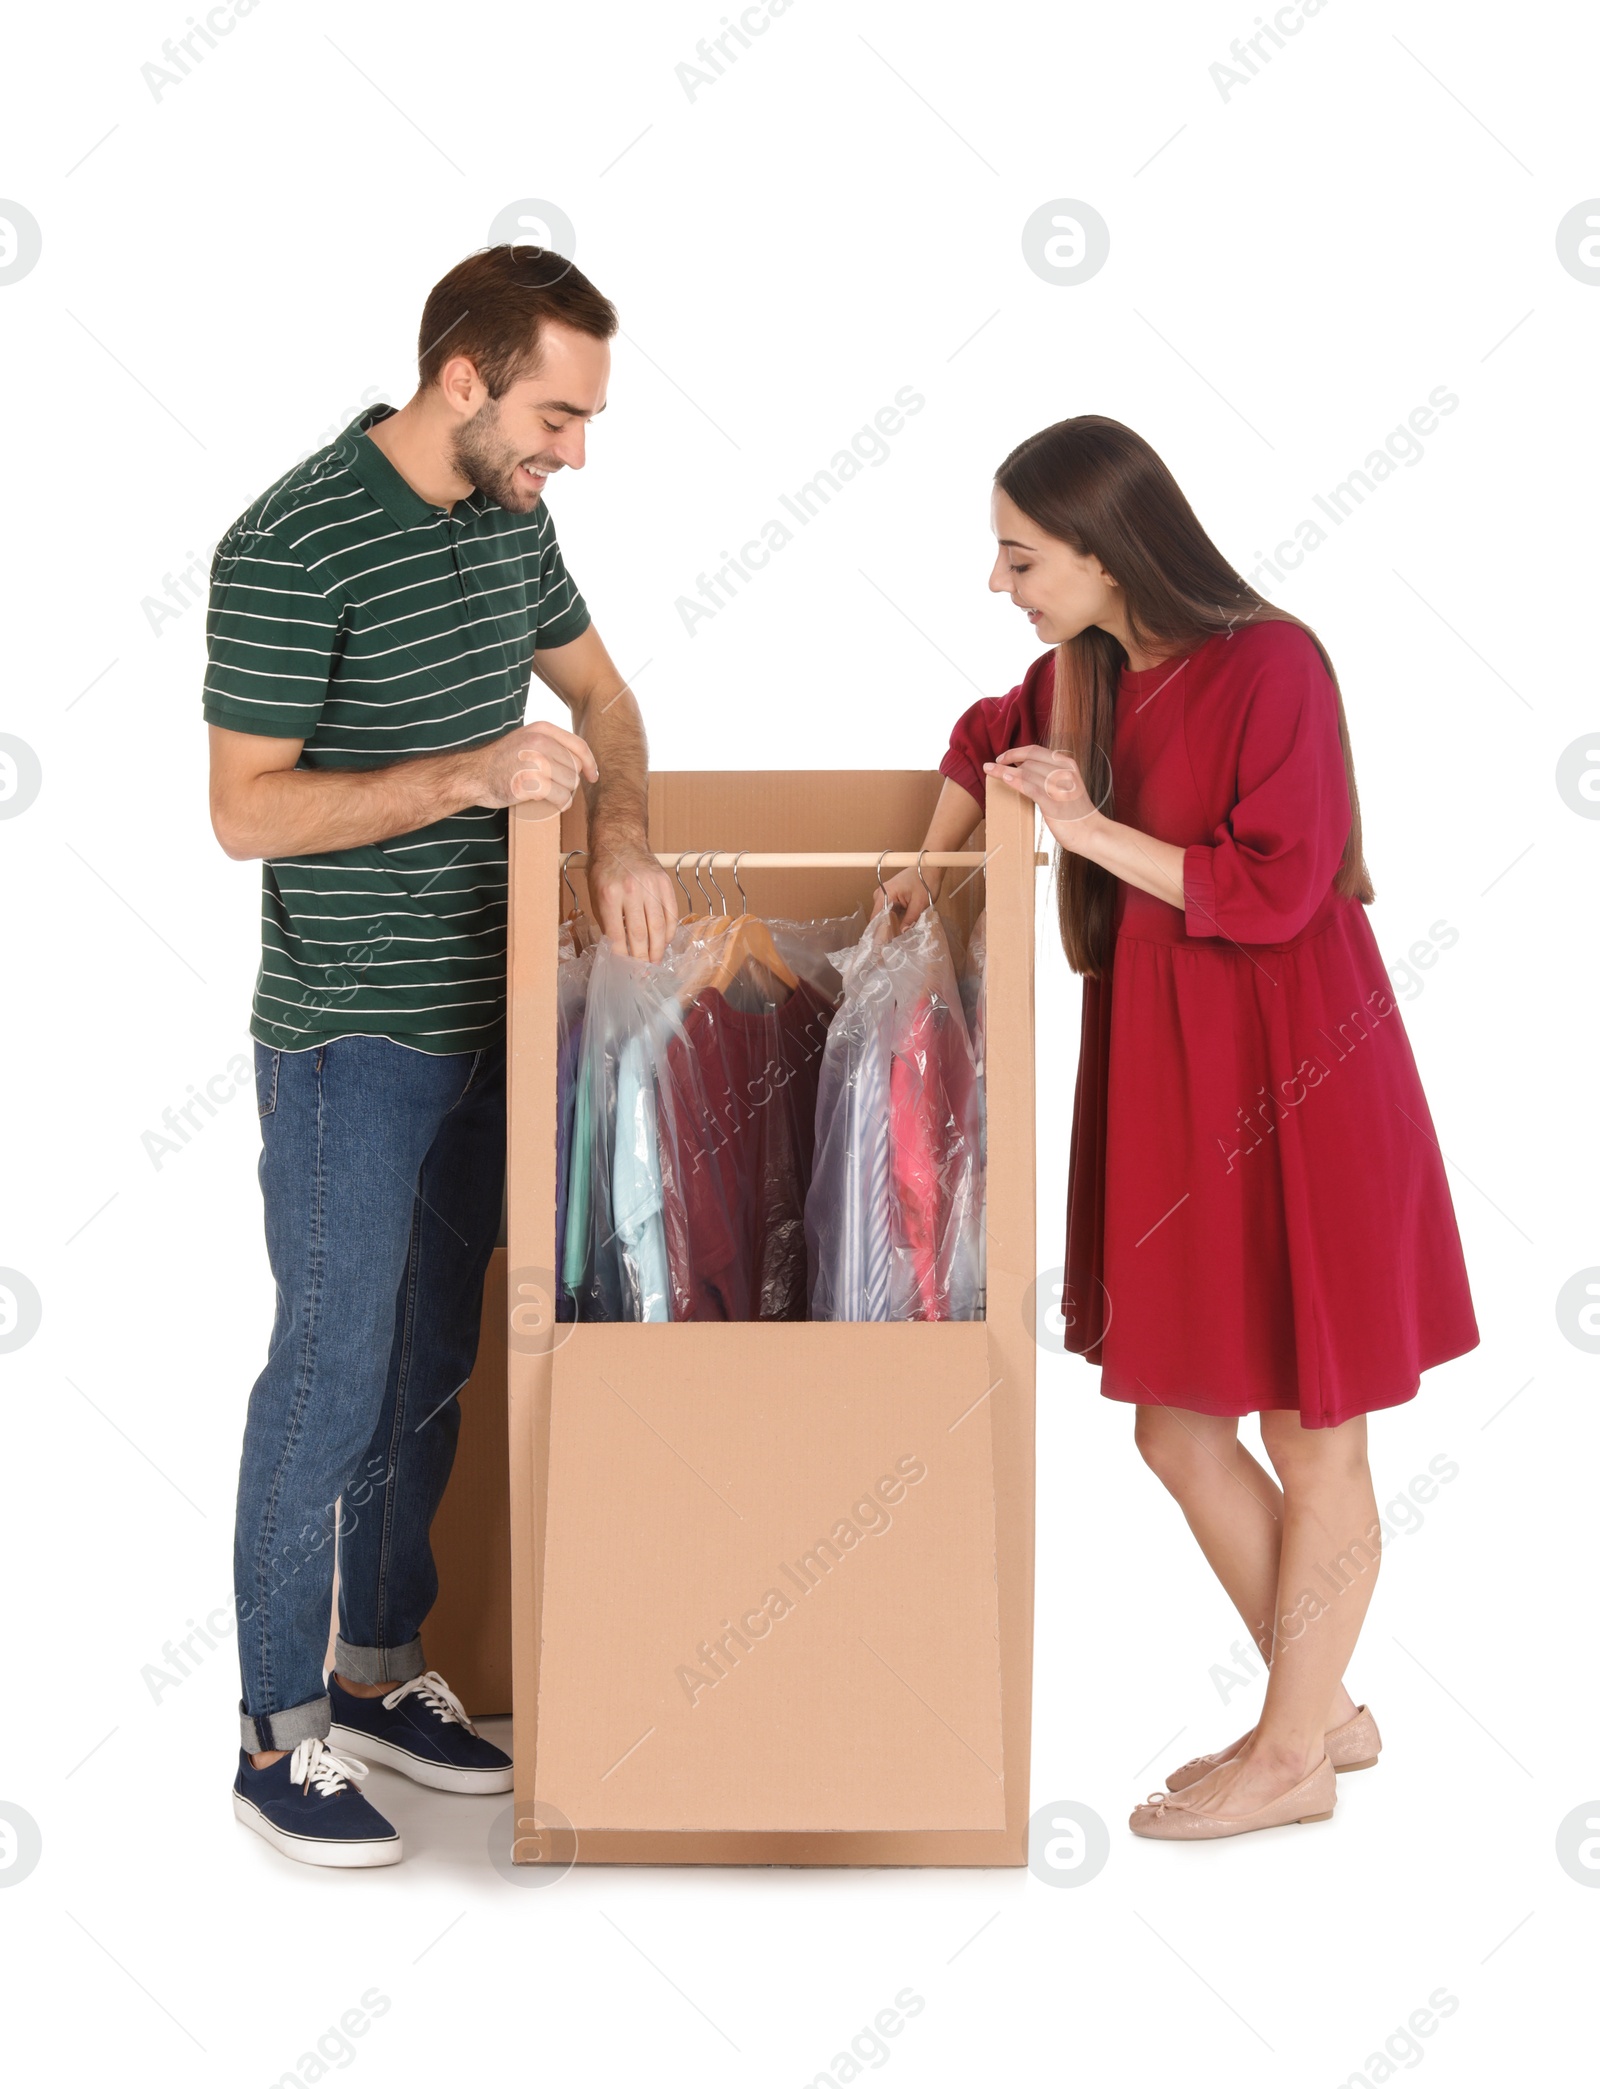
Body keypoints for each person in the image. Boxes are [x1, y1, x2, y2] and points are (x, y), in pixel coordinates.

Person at [881, 416, 1478, 1842]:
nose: (1000, 581)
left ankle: (1289, 1751)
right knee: (1175, 1423)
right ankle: (1316, 1707)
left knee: (1310, 1426)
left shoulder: (1273, 662)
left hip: (1303, 1077)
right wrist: (925, 866)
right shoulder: (1076, 679)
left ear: (1105, 548)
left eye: (1022, 556)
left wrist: (1083, 831)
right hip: (1168, 1081)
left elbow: (1276, 892)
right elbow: (982, 738)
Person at [205, 245, 680, 1867]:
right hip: (349, 1033)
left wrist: (621, 834)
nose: (576, 452)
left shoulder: (513, 521)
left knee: (431, 1370)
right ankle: (277, 1737)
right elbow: (242, 809)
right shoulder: (288, 541)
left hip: (494, 1025)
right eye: (559, 412)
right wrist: (464, 772)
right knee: (328, 1378)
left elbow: (609, 699)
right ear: (463, 380)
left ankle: (383, 1667)